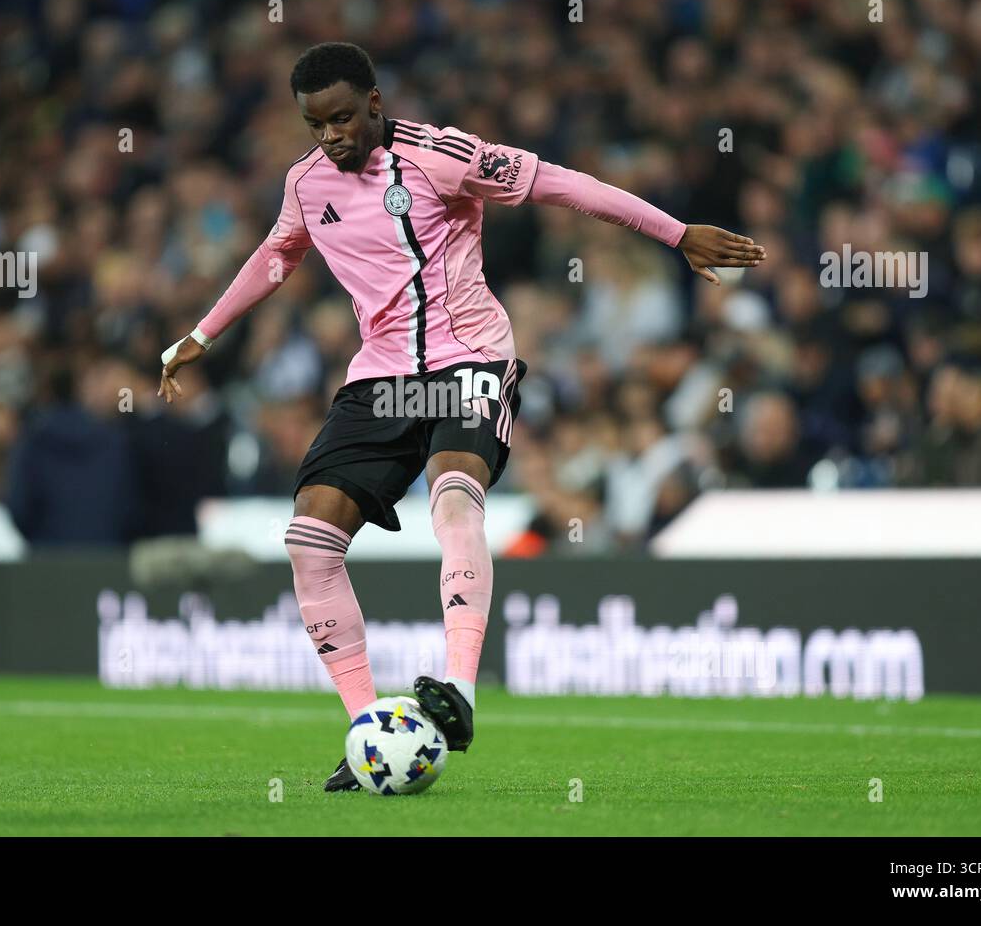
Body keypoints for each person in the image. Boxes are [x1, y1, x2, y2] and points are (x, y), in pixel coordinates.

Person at [156, 42, 765, 791]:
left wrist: (675, 234)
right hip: (381, 375)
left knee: (453, 499)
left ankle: (461, 693)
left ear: (375, 104)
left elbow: (561, 186)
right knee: (309, 538)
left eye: (344, 118)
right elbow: (277, 256)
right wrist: (202, 335)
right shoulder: (306, 183)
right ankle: (365, 731)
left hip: (468, 357)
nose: (331, 136)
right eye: (316, 124)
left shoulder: (443, 156)